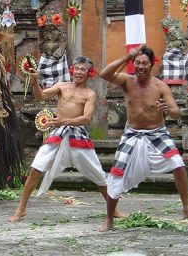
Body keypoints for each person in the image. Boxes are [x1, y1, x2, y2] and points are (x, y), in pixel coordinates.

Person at [10, 56, 121, 222]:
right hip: (58, 134)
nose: (79, 72)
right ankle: (21, 208)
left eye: (83, 69)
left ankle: (114, 210)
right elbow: (41, 96)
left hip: (78, 135)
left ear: (89, 73)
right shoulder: (61, 86)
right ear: (72, 70)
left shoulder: (90, 95)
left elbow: (87, 119)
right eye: (77, 68)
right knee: (35, 168)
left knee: (98, 174)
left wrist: (65, 121)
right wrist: (34, 82)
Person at [98, 45, 188, 232]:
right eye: (137, 63)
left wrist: (168, 109)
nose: (140, 66)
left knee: (178, 165)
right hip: (132, 133)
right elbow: (104, 74)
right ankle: (109, 218)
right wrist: (125, 58)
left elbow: (175, 114)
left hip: (157, 133)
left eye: (145, 63)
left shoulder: (160, 86)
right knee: (116, 175)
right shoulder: (127, 81)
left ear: (152, 65)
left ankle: (186, 208)